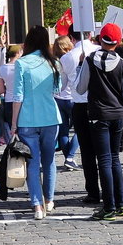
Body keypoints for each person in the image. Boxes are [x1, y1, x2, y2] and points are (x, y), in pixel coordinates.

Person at [76, 23, 123, 221]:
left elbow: (80, 89)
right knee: (115, 159)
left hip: (98, 114)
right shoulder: (122, 63)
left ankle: (108, 206)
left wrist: (81, 67)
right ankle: (121, 203)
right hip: (117, 114)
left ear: (101, 39)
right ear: (118, 42)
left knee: (104, 160)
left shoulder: (91, 60)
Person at [10, 26, 62, 220]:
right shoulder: (54, 63)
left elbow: (18, 96)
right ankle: (49, 199)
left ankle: (37, 205)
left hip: (28, 118)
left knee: (32, 163)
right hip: (50, 117)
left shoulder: (22, 63)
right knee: (49, 162)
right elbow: (58, 89)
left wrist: (14, 123)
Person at [59, 31, 100, 204]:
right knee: (105, 153)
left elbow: (62, 85)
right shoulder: (99, 50)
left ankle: (93, 191)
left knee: (88, 152)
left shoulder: (67, 57)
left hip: (81, 103)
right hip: (98, 103)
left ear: (71, 38)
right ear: (90, 33)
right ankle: (110, 191)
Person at [52, 35, 79, 171]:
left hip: (58, 98)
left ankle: (69, 158)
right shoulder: (71, 58)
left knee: (63, 131)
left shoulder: (54, 61)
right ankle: (70, 156)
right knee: (80, 128)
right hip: (71, 97)